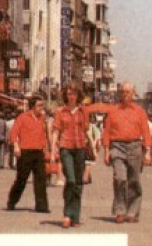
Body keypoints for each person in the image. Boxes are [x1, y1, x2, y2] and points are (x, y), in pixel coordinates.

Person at [103, 81, 152, 224]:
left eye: (128, 92)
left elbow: (146, 132)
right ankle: (120, 210)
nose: (125, 95)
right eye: (123, 92)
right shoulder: (113, 111)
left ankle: (132, 211)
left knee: (134, 180)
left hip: (135, 146)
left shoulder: (140, 111)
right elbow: (107, 132)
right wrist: (106, 151)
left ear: (133, 94)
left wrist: (148, 152)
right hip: (117, 147)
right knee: (119, 177)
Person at [52, 86, 92, 229]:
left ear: (78, 95)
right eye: (69, 93)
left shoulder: (83, 111)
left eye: (74, 93)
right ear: (65, 95)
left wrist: (92, 148)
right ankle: (67, 214)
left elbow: (86, 130)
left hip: (80, 148)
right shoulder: (60, 111)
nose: (71, 96)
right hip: (66, 148)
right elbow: (56, 131)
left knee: (78, 183)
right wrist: (53, 151)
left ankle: (75, 216)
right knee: (71, 180)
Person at [6, 95, 52, 214]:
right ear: (32, 106)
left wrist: (47, 149)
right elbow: (13, 133)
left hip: (38, 152)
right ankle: (12, 201)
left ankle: (42, 206)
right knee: (21, 179)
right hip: (25, 152)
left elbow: (44, 135)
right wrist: (16, 145)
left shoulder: (42, 118)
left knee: (41, 179)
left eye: (42, 105)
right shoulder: (22, 117)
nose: (42, 108)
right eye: (39, 105)